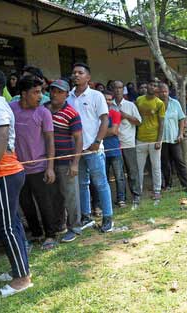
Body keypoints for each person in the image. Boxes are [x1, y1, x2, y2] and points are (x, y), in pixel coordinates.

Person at [0, 67, 32, 297]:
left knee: (6, 226)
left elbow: (0, 136)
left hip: (1, 173)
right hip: (2, 173)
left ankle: (22, 278)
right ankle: (19, 269)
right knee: (11, 224)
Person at [10, 75, 62, 251]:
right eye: (36, 92)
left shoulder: (43, 112)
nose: (40, 96)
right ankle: (36, 233)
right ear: (24, 94)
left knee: (45, 202)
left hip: (40, 167)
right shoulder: (10, 109)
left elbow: (50, 141)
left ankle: (50, 235)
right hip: (17, 168)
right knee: (25, 203)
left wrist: (50, 167)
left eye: (41, 92)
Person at [67, 63, 114, 233]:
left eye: (80, 73)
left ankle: (108, 218)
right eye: (74, 73)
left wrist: (97, 141)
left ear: (88, 77)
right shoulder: (69, 97)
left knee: (100, 183)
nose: (76, 75)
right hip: (76, 150)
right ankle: (86, 217)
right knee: (81, 184)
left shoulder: (96, 96)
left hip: (93, 147)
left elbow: (105, 120)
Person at [45, 79, 83, 243]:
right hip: (47, 161)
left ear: (67, 94)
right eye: (53, 90)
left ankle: (75, 227)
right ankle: (60, 225)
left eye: (59, 91)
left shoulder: (72, 113)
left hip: (66, 160)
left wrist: (75, 163)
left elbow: (79, 139)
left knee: (70, 196)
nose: (55, 94)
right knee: (54, 196)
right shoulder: (44, 109)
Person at [112, 80, 142, 207]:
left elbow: (139, 121)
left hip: (129, 143)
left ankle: (136, 195)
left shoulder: (130, 105)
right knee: (118, 173)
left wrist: (126, 116)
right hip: (114, 144)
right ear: (112, 90)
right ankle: (121, 198)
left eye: (120, 88)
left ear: (123, 90)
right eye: (115, 88)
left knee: (132, 171)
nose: (118, 90)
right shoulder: (109, 105)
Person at [158, 83, 187, 192]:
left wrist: (181, 133)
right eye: (161, 91)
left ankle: (186, 185)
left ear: (168, 92)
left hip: (174, 139)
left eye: (165, 91)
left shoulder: (175, 103)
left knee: (180, 161)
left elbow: (181, 118)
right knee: (165, 163)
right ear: (158, 92)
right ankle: (168, 184)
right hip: (162, 140)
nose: (163, 93)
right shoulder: (156, 104)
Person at [136, 81, 165, 200]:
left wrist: (159, 140)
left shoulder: (159, 103)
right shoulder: (139, 100)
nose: (152, 87)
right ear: (147, 85)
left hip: (154, 140)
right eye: (151, 84)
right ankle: (138, 191)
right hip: (140, 139)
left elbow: (162, 123)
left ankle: (157, 190)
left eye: (155, 86)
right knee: (139, 167)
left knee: (156, 166)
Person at [101, 90, 126, 208]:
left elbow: (114, 131)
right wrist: (107, 132)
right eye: (106, 99)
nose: (108, 101)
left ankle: (121, 199)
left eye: (110, 99)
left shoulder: (115, 113)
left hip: (115, 150)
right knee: (103, 179)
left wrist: (99, 134)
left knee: (119, 177)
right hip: (100, 150)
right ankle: (105, 202)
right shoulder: (96, 114)